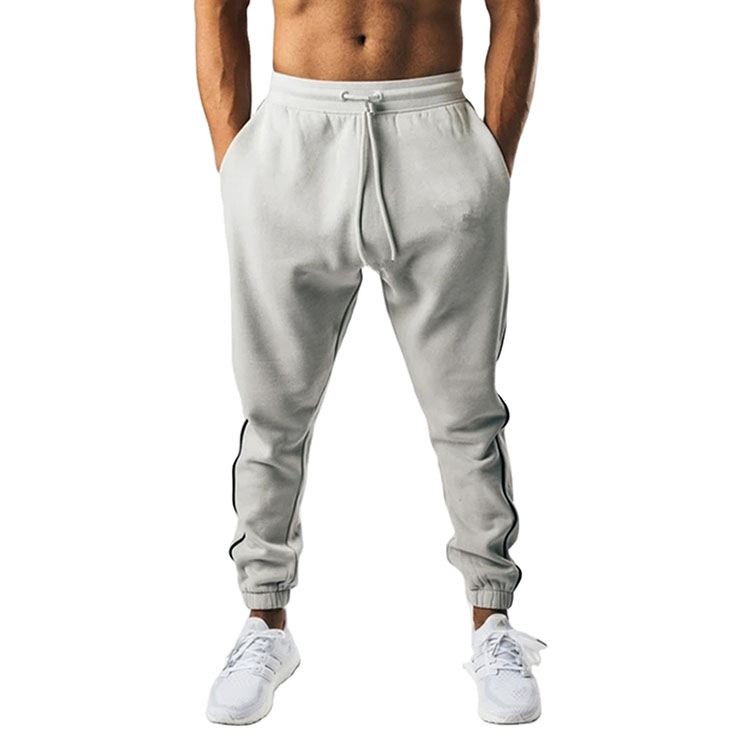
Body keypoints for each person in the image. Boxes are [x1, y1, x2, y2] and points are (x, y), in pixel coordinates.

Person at [195, 0, 545, 726]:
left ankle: (493, 622)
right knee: (272, 412)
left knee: (465, 411)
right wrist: (236, 162)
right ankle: (264, 622)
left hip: (434, 125)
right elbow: (218, 6)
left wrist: (492, 163)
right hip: (294, 135)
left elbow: (515, 8)